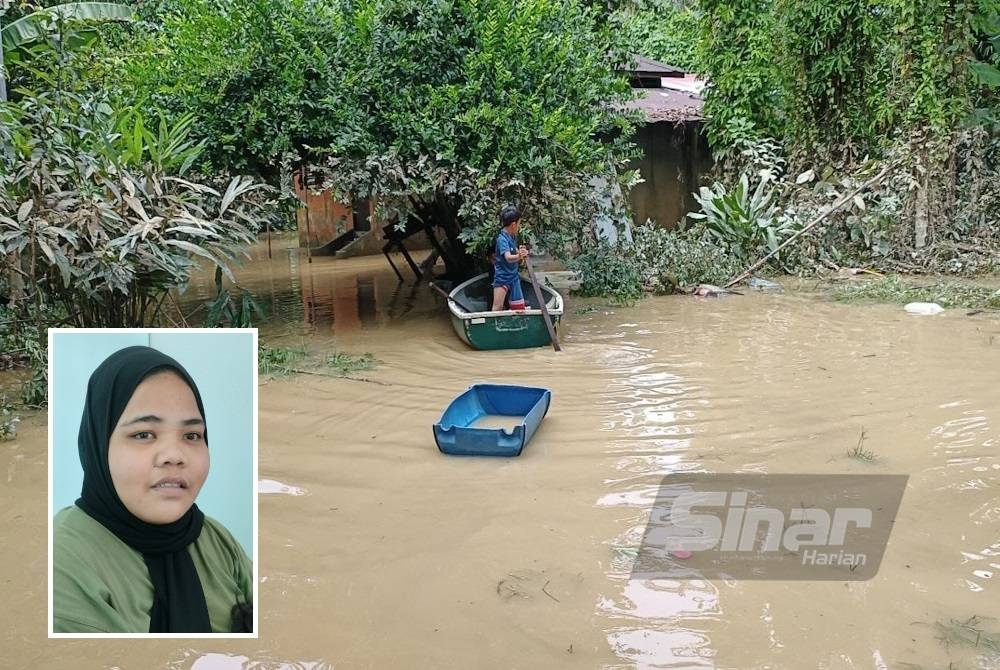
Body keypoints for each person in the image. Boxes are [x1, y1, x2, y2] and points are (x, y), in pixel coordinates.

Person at [52, 346, 253, 634]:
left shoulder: (216, 541)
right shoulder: (63, 561)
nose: (174, 455)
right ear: (98, 444)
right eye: (144, 434)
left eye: (192, 435)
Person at [492, 205, 529, 311]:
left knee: (518, 306)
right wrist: (519, 256)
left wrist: (522, 252)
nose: (519, 226)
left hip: (513, 276)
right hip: (503, 277)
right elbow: (508, 257)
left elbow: (516, 251)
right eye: (519, 223)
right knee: (497, 306)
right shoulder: (502, 239)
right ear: (513, 224)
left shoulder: (512, 236)